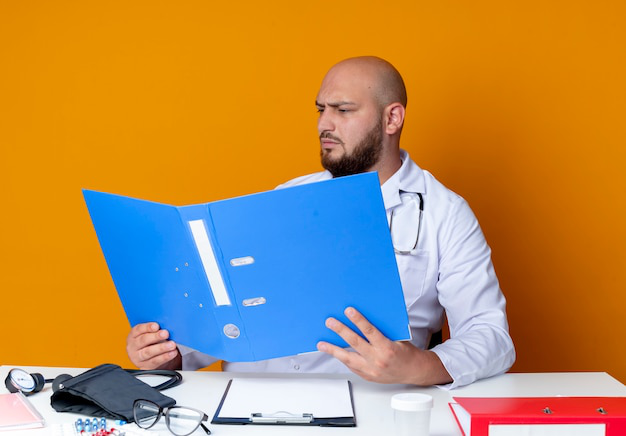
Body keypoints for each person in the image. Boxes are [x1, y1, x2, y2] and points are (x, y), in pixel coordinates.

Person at [126, 56, 515, 388]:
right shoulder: (285, 196)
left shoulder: (445, 213)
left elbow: (491, 336)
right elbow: (231, 310)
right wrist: (167, 354)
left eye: (342, 110)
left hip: (366, 411)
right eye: (320, 109)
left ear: (392, 118)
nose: (324, 124)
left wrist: (418, 365)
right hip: (246, 405)